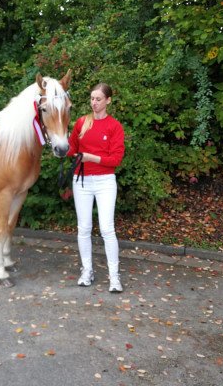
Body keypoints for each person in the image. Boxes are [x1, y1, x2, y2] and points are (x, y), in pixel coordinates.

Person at [67, 83, 125, 293]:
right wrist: (62, 147)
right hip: (81, 181)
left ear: (108, 100)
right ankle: (87, 271)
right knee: (83, 228)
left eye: (98, 99)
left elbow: (115, 159)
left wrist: (91, 157)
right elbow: (71, 149)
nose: (94, 102)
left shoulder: (114, 126)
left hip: (104, 182)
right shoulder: (82, 122)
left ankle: (114, 277)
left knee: (107, 229)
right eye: (92, 98)